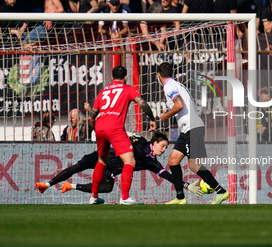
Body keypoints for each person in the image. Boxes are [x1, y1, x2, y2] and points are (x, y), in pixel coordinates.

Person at [35, 132, 204, 199]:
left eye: (166, 148)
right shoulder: (141, 141)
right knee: (78, 166)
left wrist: (185, 185)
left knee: (107, 188)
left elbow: (167, 176)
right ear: (155, 142)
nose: (164, 150)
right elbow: (126, 136)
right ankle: (47, 184)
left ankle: (70, 186)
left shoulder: (152, 163)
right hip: (103, 157)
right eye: (163, 146)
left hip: (110, 170)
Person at [157, 62, 229, 205]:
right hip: (187, 128)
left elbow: (179, 105)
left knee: (194, 165)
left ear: (158, 75)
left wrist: (165, 116)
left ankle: (221, 191)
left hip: (192, 127)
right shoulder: (177, 84)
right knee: (173, 160)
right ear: (171, 73)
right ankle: (180, 197)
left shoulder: (169, 86)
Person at [88, 65, 156, 205]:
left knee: (102, 160)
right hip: (114, 128)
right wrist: (152, 119)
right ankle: (125, 197)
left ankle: (94, 196)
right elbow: (142, 104)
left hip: (100, 128)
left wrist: (95, 130)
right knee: (130, 161)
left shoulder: (103, 91)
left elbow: (91, 116)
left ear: (111, 77)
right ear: (125, 77)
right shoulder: (128, 89)